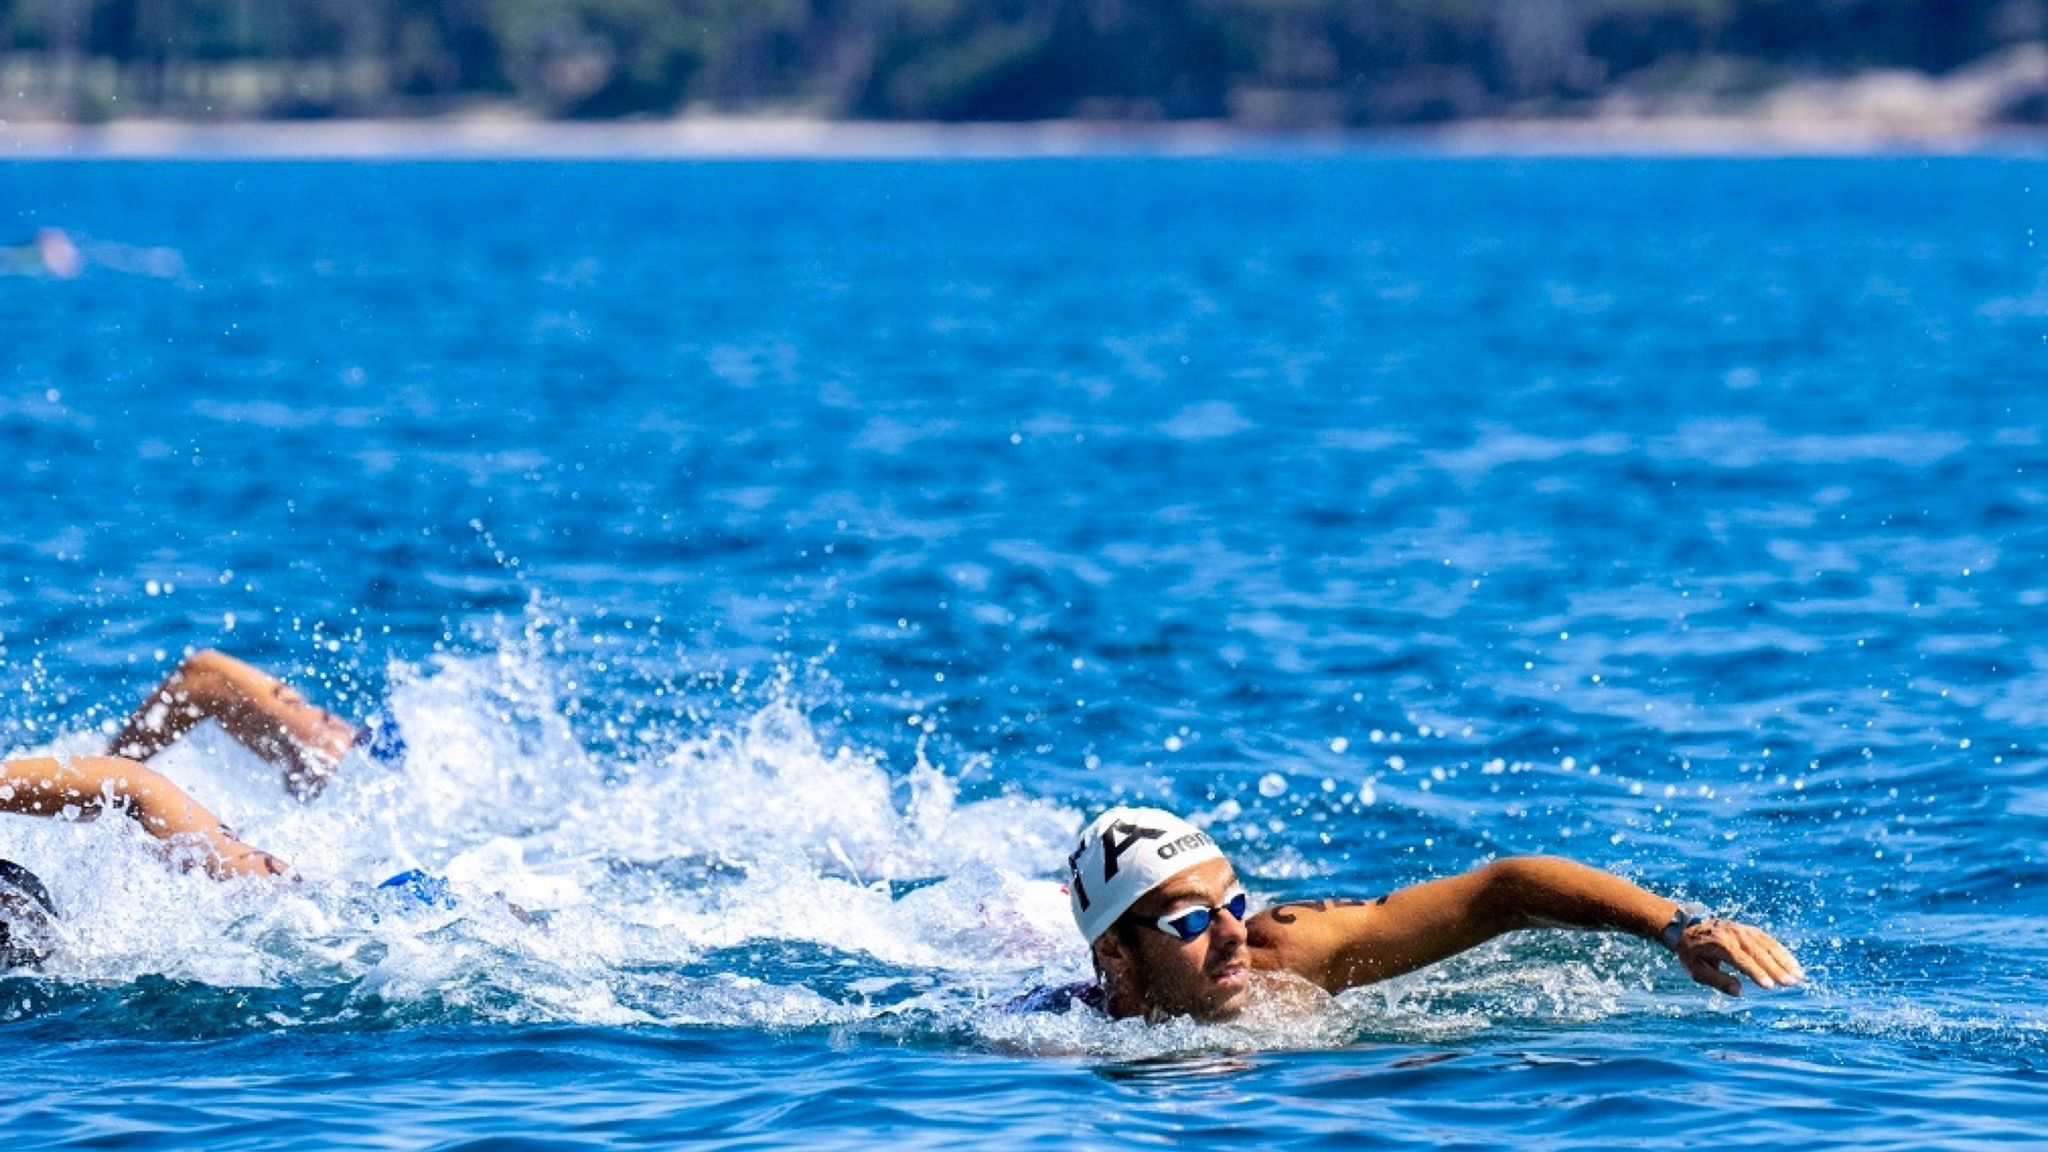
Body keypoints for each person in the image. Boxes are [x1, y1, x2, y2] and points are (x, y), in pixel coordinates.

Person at [1054, 806, 1805, 1021]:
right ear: (1115, 954)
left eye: (1236, 902)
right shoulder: (1049, 1040)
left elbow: (1502, 892)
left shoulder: (1294, 949)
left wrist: (1676, 926)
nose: (1233, 935)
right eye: (1191, 920)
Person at [108, 648, 405, 801]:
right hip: (410, 759)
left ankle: (96, 789)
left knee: (205, 676)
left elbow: (203, 677)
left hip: (386, 762)